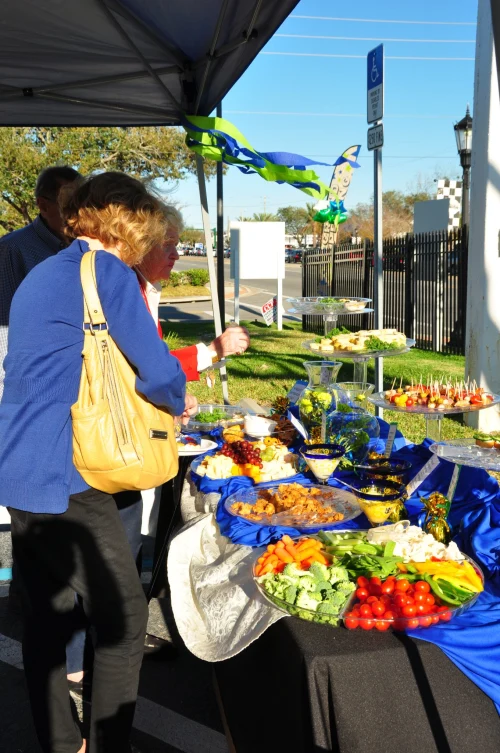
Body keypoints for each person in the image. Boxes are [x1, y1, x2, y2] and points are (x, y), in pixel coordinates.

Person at [0, 171, 196, 753]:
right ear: (130, 223)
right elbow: (158, 368)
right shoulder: (104, 270)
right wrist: (179, 399)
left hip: (20, 464)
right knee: (124, 615)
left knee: (48, 618)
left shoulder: (45, 270)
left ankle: (62, 742)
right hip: (67, 472)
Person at [65, 202, 251, 684]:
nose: (173, 254)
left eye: (174, 245)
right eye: (164, 244)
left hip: (106, 440)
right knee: (110, 550)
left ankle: (98, 641)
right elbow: (148, 367)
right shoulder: (119, 284)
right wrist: (206, 356)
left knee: (119, 542)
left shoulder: (135, 287)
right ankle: (92, 652)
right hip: (103, 447)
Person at [0, 165, 81, 398]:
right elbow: (4, 333)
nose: (79, 215)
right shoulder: (12, 250)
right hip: (34, 390)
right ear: (43, 206)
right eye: (69, 207)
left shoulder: (85, 247)